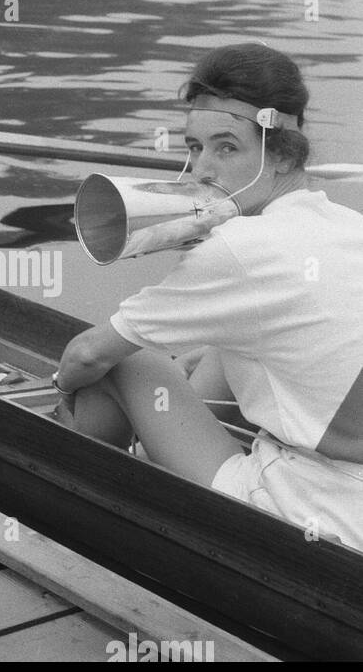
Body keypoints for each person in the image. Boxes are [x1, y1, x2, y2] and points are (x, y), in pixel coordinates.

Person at [55, 43, 363, 550]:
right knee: (224, 344)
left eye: (227, 148)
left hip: (309, 514)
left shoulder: (239, 247)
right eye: (194, 147)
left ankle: (86, 503)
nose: (201, 171)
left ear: (283, 153)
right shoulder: (347, 223)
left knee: (131, 365)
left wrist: (62, 385)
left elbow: (88, 353)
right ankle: (147, 458)